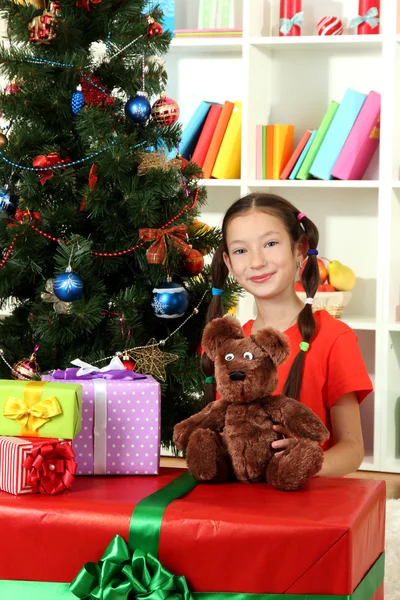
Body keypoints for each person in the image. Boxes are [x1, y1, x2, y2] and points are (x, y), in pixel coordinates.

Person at [201, 193, 373, 478]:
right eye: (241, 250)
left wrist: (304, 463)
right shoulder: (229, 347)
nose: (256, 262)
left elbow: (352, 449)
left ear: (300, 249)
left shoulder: (334, 337)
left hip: (303, 506)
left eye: (270, 244)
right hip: (238, 506)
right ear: (229, 264)